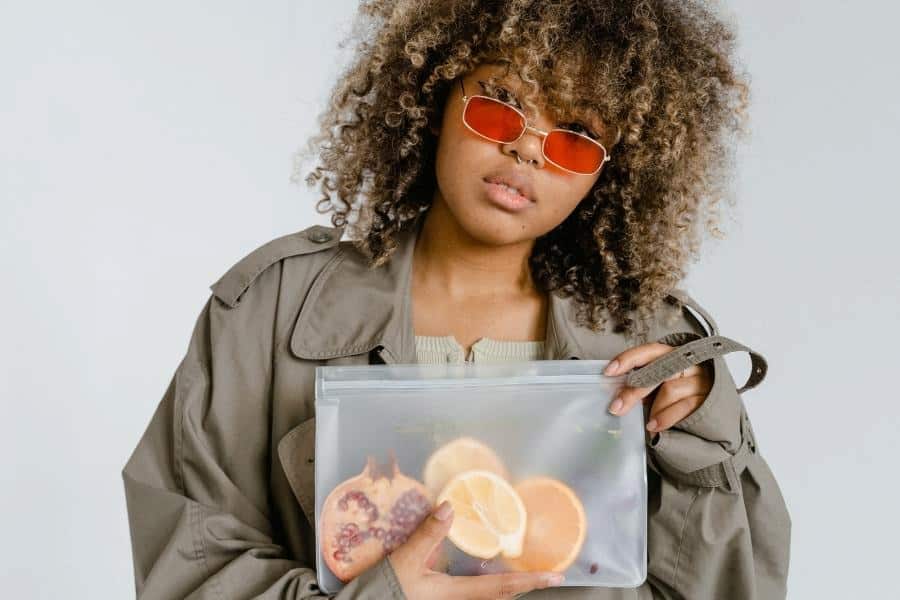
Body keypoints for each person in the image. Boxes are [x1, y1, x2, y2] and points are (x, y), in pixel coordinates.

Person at [122, 1, 791, 598]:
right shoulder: (276, 308)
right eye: (500, 101)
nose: (526, 148)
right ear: (436, 94)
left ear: (614, 174)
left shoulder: (652, 348)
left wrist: (705, 440)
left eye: (575, 139)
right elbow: (187, 568)